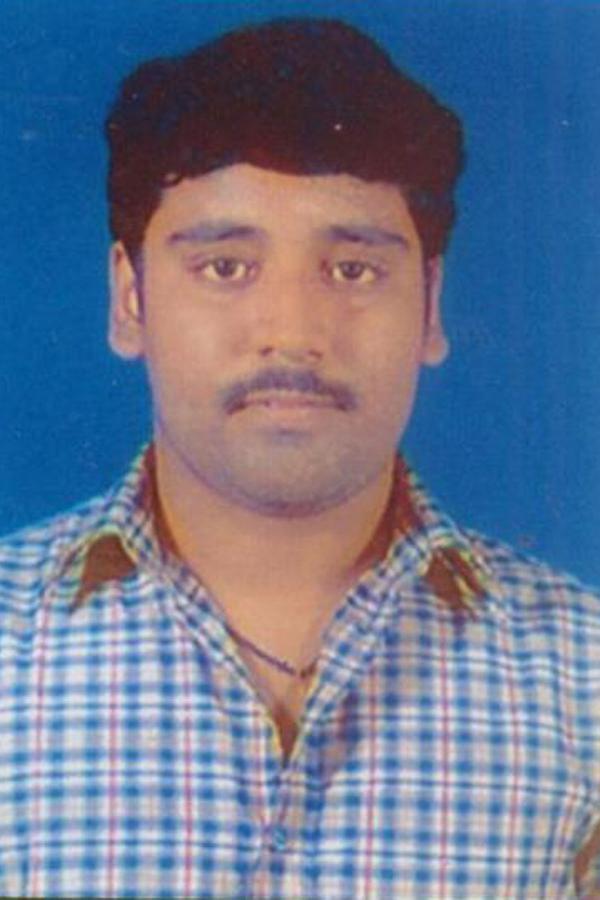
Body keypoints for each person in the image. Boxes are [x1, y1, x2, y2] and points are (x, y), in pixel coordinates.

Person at [0, 16, 598, 900]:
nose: (291, 333)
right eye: (225, 267)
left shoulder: (585, 681)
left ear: (430, 307)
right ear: (130, 300)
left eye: (353, 271)